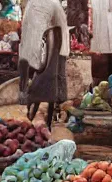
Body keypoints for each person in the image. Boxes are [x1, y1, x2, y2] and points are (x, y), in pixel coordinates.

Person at [18, 0, 68, 128]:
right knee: (46, 89)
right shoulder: (50, 5)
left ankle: (35, 118)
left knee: (43, 89)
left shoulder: (35, 5)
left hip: (45, 54)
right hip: (47, 54)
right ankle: (39, 120)